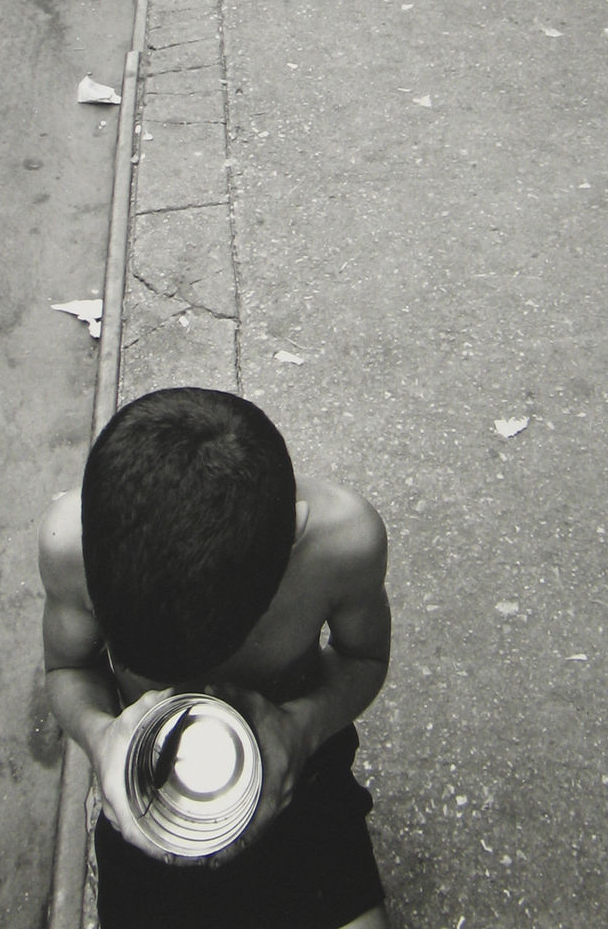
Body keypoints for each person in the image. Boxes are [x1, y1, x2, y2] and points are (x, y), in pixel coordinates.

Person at [40, 387, 391, 929]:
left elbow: (363, 658)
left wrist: (301, 731)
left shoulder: (342, 542)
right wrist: (101, 737)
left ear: (292, 542)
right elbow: (67, 667)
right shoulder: (70, 542)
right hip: (154, 791)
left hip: (307, 778)